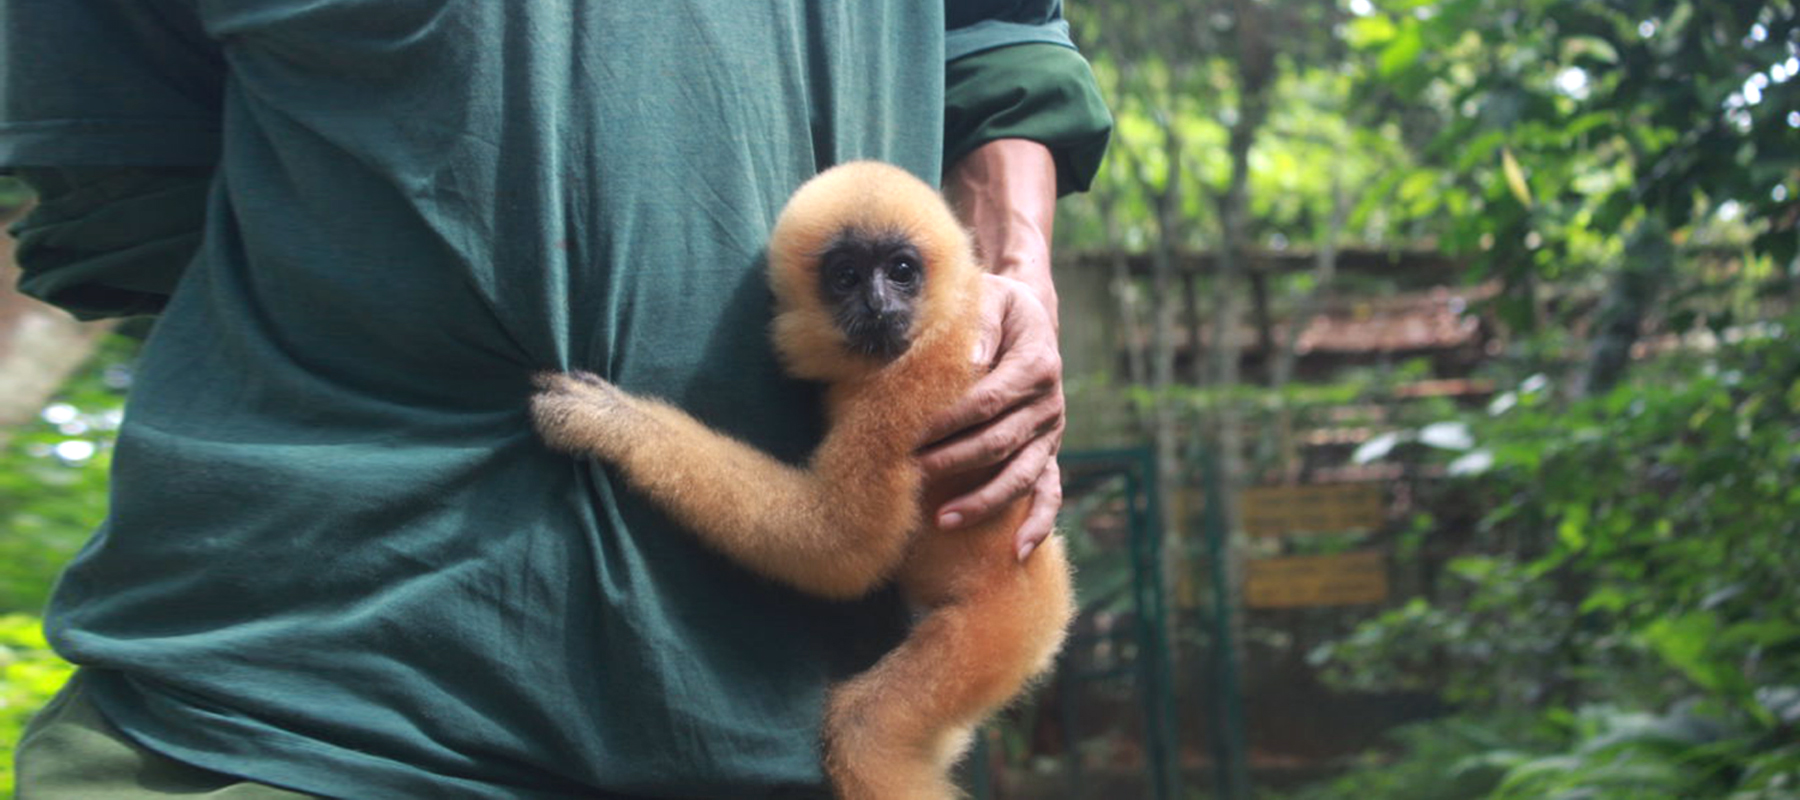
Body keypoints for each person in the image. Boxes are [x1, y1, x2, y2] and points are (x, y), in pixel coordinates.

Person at [1, 2, 1111, 797]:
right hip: (299, 697)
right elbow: (115, 192)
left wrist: (1007, 268)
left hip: (769, 705)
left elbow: (992, 28)